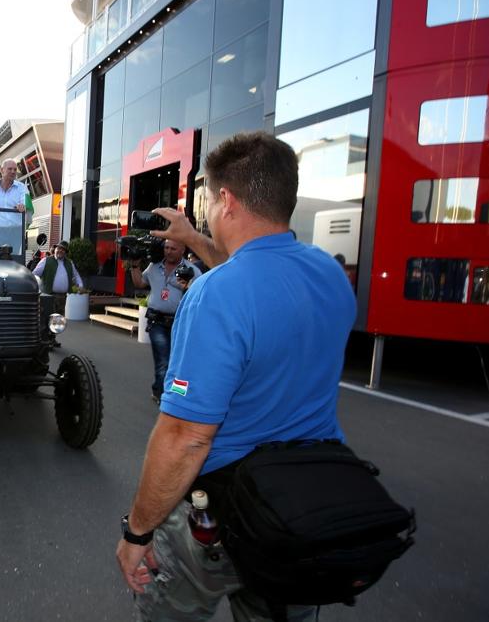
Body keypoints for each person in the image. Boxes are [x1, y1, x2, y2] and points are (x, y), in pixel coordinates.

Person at [115, 132, 356, 621]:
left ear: (225, 200)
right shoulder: (327, 274)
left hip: (224, 518)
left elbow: (185, 437)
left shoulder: (213, 295)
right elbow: (259, 273)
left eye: (207, 199)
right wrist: (193, 239)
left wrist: (137, 533)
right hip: (303, 510)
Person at [127, 240, 201, 404]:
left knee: (178, 361)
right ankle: (161, 393)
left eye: (173, 248)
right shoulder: (154, 266)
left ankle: (174, 392)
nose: (168, 251)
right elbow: (140, 283)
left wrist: (185, 286)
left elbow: (199, 297)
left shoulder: (191, 270)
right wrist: (134, 266)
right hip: (156, 321)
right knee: (163, 360)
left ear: (182, 249)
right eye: (166, 248)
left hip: (180, 322)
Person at [0, 159, 28, 252]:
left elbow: (25, 201)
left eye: (15, 169)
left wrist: (22, 205)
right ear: (2, 170)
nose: (13, 172)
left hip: (16, 232)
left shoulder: (22, 188)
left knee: (13, 261)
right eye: (10, 169)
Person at [32, 241, 83, 315]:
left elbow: (76, 275)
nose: (60, 251)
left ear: (65, 252)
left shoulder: (69, 263)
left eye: (63, 249)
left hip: (62, 297)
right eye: (59, 248)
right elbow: (34, 274)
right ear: (55, 249)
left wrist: (80, 286)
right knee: (47, 318)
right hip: (48, 296)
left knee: (59, 321)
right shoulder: (46, 260)